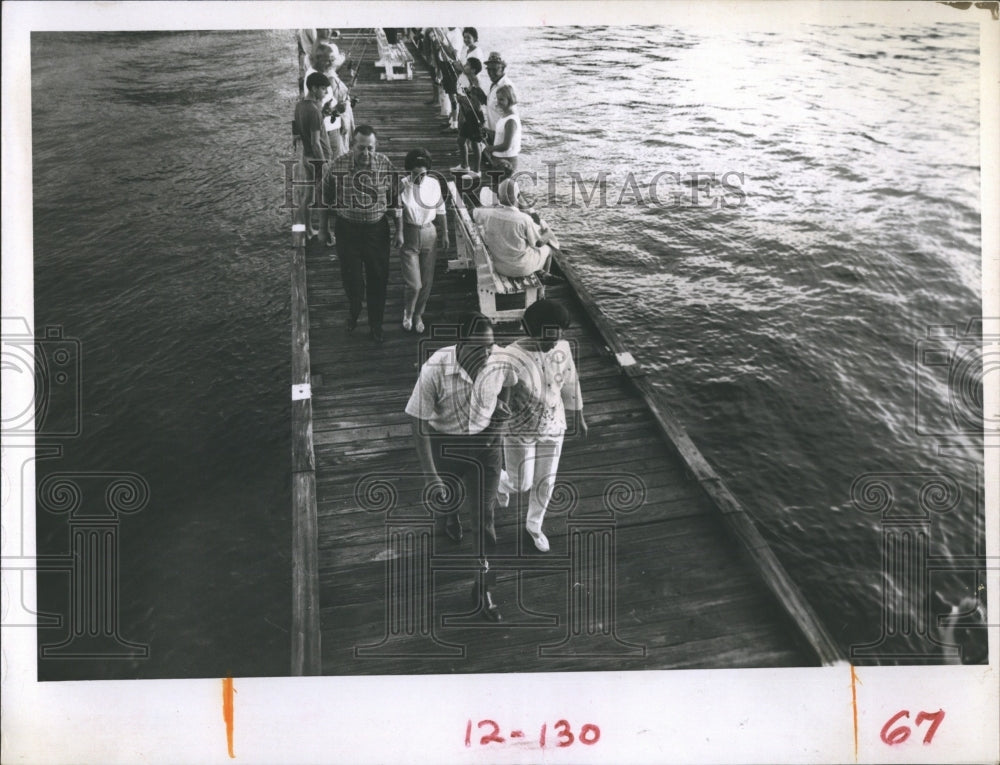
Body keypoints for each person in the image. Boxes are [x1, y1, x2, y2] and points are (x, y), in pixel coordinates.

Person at [406, 312, 508, 620]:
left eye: (490, 347)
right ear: (461, 345)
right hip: (445, 445)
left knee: (484, 519)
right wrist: (430, 476)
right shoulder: (434, 369)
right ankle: (449, 518)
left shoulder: (500, 360)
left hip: (486, 448)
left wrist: (500, 419)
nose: (487, 355)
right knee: (446, 500)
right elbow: (418, 421)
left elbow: (509, 385)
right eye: (479, 349)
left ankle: (483, 586)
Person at [470, 300, 587, 553]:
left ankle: (534, 525)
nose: (552, 344)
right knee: (521, 482)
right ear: (530, 330)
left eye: (557, 338)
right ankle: (503, 482)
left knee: (546, 482)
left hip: (554, 425)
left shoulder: (563, 349)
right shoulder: (507, 356)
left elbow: (570, 383)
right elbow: (489, 389)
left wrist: (579, 416)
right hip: (519, 428)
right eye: (547, 340)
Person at [319, 125, 401, 344]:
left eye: (370, 148)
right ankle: (354, 310)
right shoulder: (338, 165)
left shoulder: (385, 165)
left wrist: (399, 230)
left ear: (376, 147)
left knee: (378, 280)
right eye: (361, 148)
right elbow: (324, 197)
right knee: (352, 280)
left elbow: (396, 200)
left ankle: (376, 325)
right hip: (348, 231)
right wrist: (323, 228)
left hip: (377, 231)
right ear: (352, 146)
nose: (365, 153)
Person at [398, 149, 449, 334]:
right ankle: (408, 312)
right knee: (414, 284)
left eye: (423, 174)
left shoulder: (434, 184)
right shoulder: (402, 185)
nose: (420, 178)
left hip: (429, 233)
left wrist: (445, 233)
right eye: (415, 174)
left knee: (426, 281)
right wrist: (399, 233)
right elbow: (395, 211)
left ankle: (419, 314)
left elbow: (441, 209)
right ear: (409, 171)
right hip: (410, 234)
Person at [473, 179, 556, 278]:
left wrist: (492, 206)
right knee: (548, 249)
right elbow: (537, 243)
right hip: (521, 268)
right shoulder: (524, 219)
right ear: (517, 197)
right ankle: (544, 281)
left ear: (498, 197)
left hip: (499, 266)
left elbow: (474, 212)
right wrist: (548, 233)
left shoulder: (488, 213)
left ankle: (541, 273)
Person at [292, 71, 333, 239]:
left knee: (307, 198)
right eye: (323, 89)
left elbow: (302, 131)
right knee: (324, 198)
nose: (325, 92)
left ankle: (305, 231)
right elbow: (316, 142)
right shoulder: (314, 111)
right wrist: (324, 164)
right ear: (314, 88)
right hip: (316, 159)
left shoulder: (300, 105)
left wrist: (323, 113)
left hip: (306, 156)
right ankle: (325, 233)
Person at [450, 57, 488, 177]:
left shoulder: (476, 82)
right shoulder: (465, 77)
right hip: (467, 113)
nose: (464, 65)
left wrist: (462, 99)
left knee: (475, 143)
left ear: (473, 70)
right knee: (461, 141)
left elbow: (477, 104)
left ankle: (477, 171)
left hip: (474, 115)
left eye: (467, 65)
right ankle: (464, 166)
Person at [482, 84, 520, 173]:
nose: (498, 102)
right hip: (499, 159)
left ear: (510, 100)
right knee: (497, 186)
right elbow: (501, 136)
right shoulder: (504, 116)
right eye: (497, 99)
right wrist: (488, 132)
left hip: (507, 161)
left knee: (504, 186)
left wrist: (489, 149)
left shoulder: (511, 120)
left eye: (502, 99)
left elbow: (506, 145)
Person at [484, 52, 517, 141]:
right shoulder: (494, 84)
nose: (491, 73)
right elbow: (493, 105)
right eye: (488, 69)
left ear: (502, 68)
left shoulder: (506, 86)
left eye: (494, 70)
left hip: (501, 136)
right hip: (492, 133)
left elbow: (511, 113)